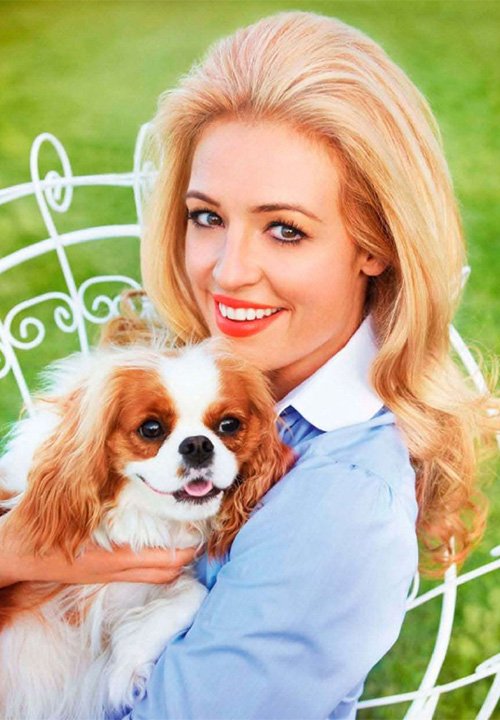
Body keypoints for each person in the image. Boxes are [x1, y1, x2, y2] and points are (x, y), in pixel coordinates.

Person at [0, 10, 496, 719]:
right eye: (207, 217)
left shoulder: (340, 504)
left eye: (285, 230)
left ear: (375, 246)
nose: (228, 272)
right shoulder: (187, 368)